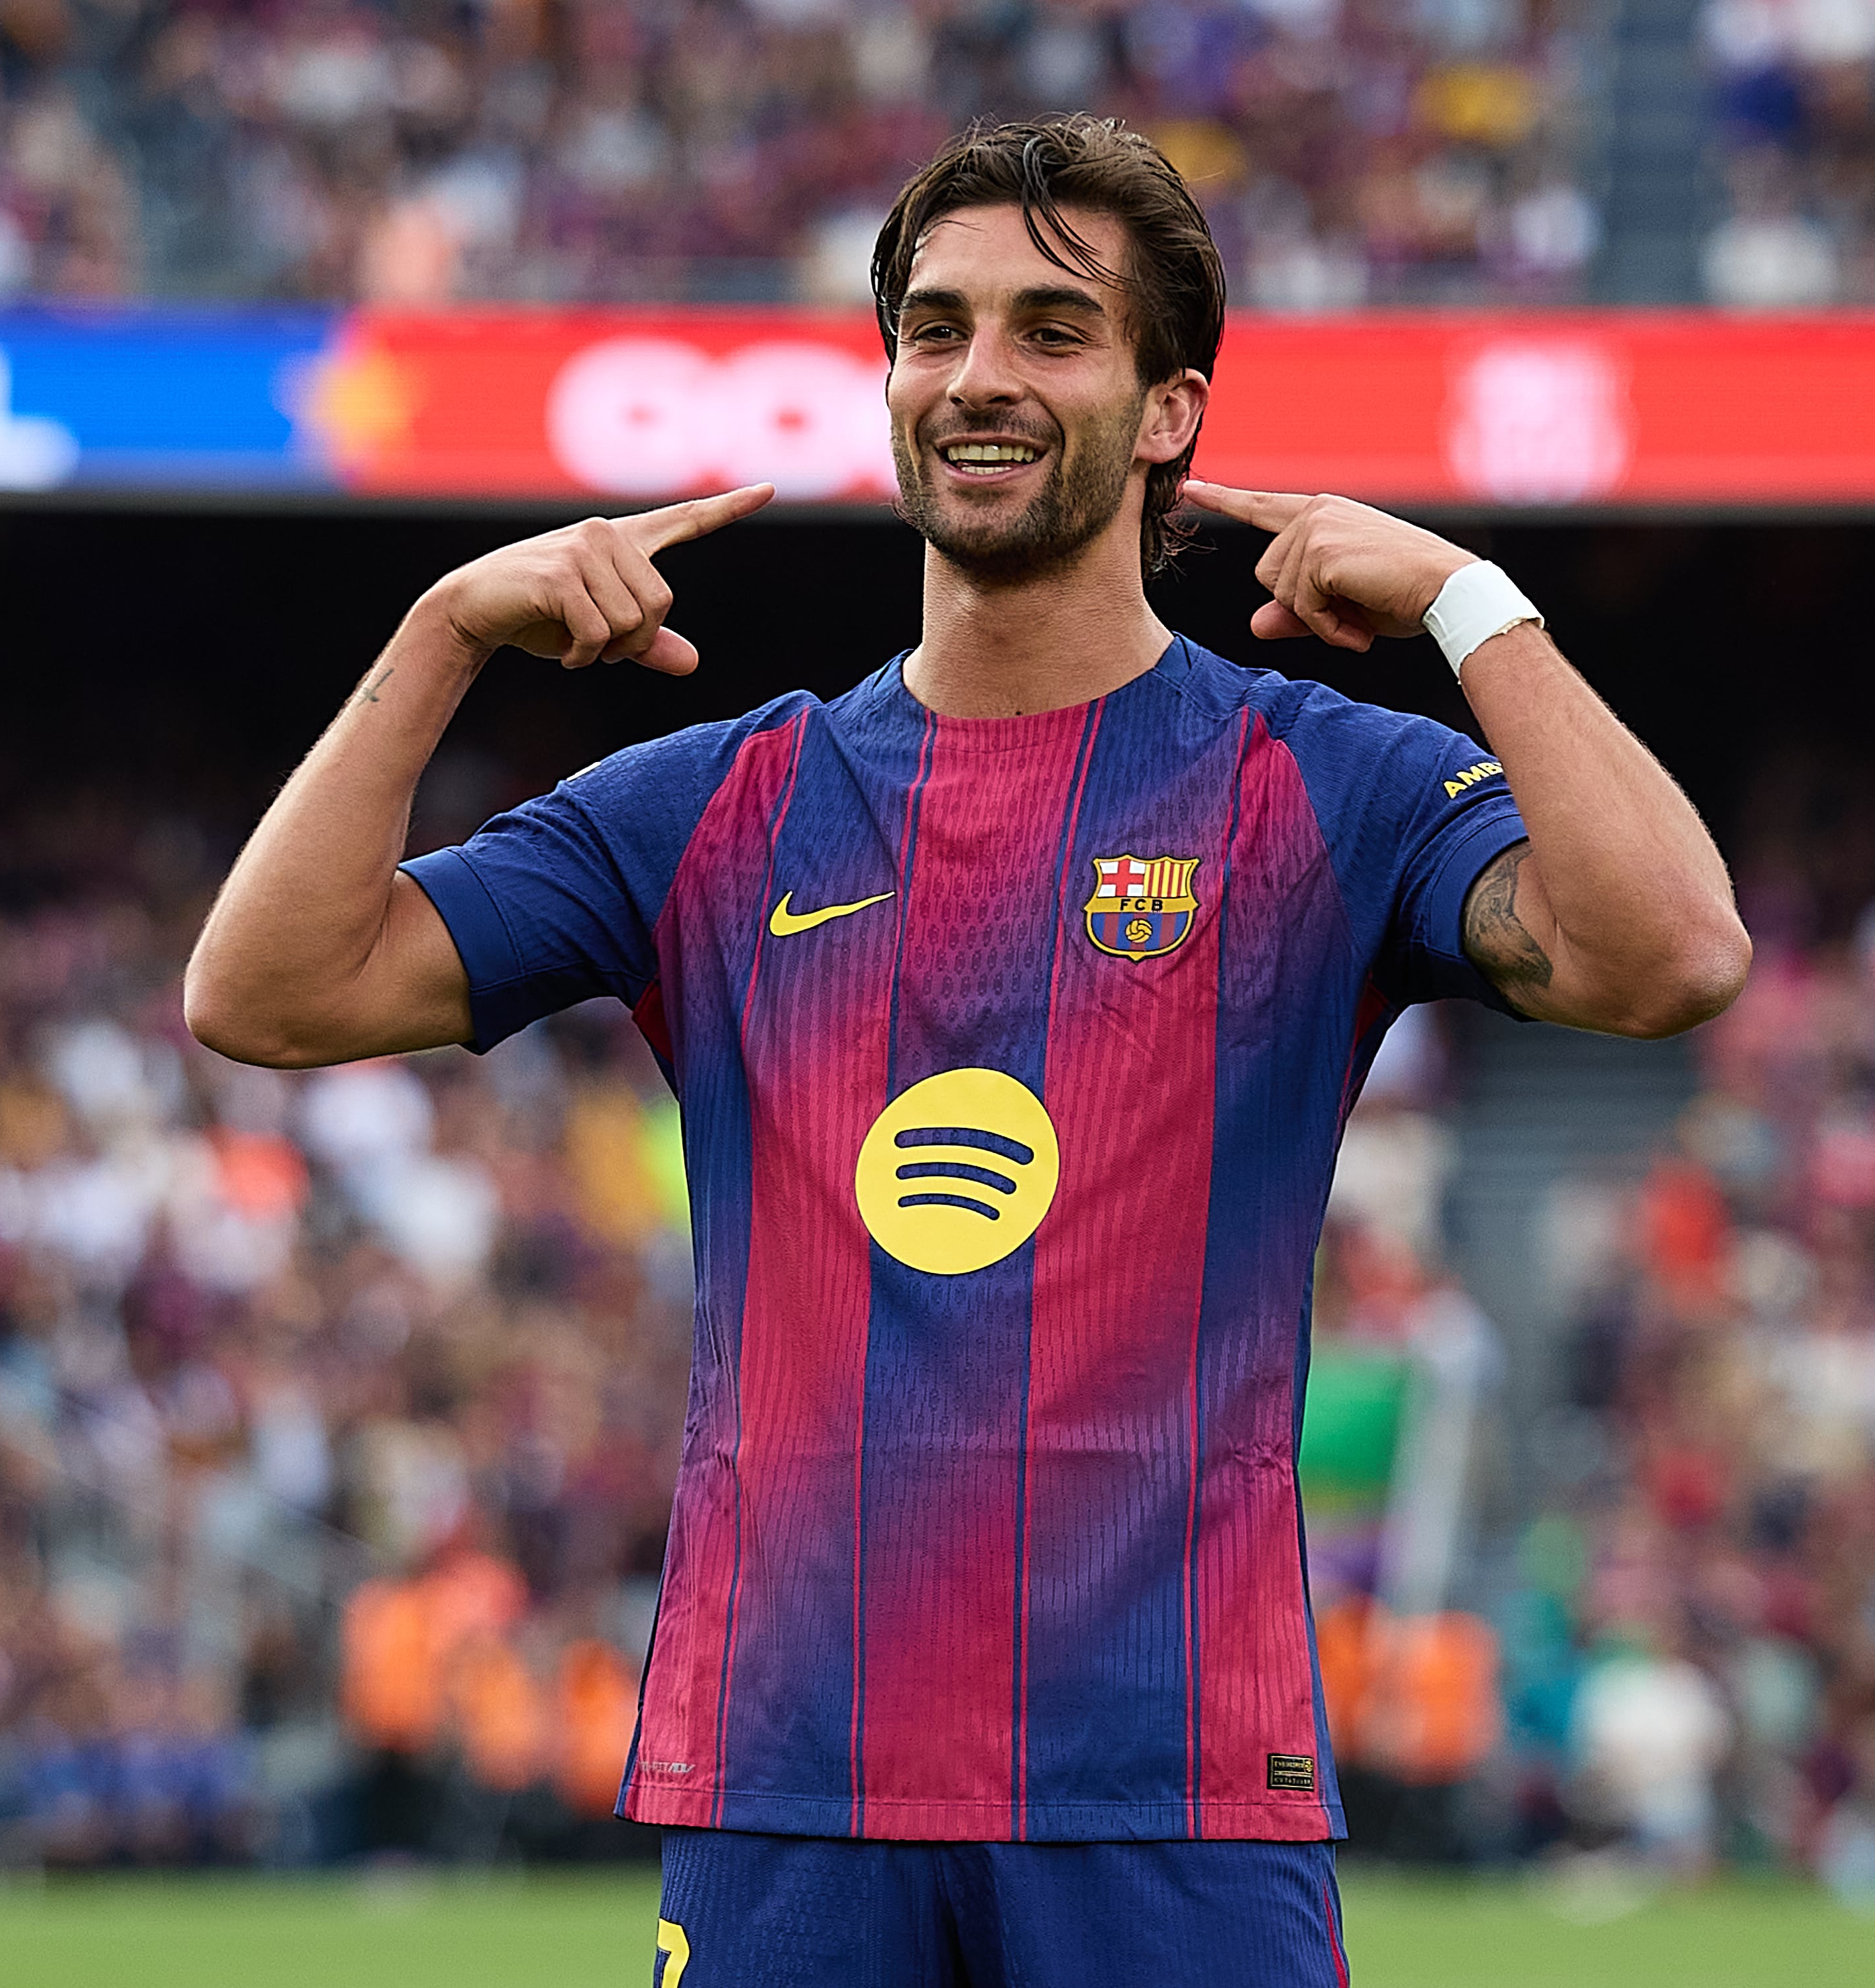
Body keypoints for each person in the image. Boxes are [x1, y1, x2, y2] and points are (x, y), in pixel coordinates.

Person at [186, 113, 1748, 1988]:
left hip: (1169, 1795)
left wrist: (1464, 607)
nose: (976, 376)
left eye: (1048, 330)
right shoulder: (716, 805)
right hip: (789, 1793)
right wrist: (441, 633)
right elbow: (265, 995)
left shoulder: (1321, 783)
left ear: (1169, 409)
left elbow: (1664, 954)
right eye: (933, 329)